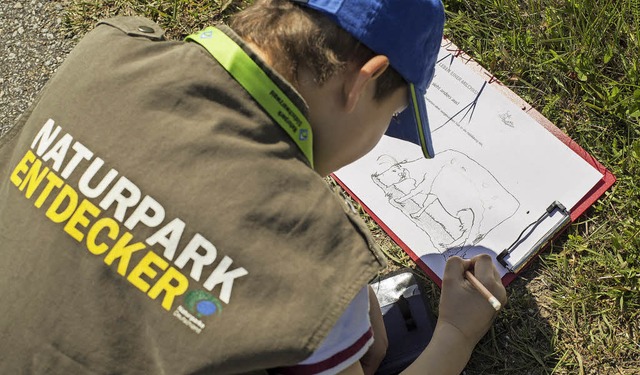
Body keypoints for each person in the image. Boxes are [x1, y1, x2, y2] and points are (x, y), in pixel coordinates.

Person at [0, 0, 507, 373]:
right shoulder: (314, 260)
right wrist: (455, 334)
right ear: (360, 82)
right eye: (391, 116)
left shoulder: (110, 50)